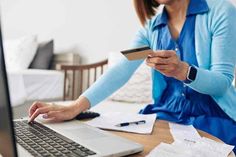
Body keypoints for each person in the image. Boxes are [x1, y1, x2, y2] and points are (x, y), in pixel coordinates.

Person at [29, 0, 236, 151]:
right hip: (165, 116)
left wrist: (183, 71)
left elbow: (222, 82)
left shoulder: (220, 12)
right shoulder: (150, 29)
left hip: (214, 116)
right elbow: (122, 68)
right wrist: (75, 106)